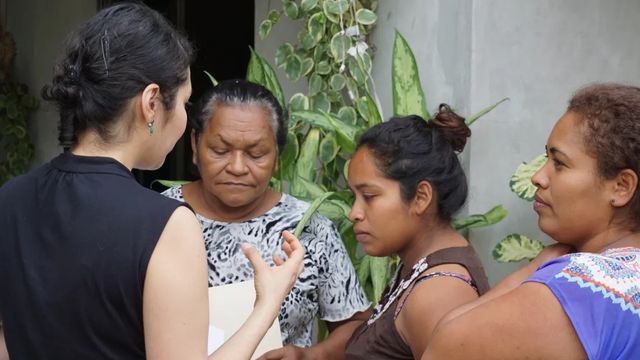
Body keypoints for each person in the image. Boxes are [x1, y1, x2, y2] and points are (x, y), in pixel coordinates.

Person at [0, 3, 304, 359]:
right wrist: (267, 305)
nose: (184, 121)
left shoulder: (11, 199)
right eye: (185, 104)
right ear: (151, 103)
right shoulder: (167, 225)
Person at [422, 83, 640, 359]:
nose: (538, 176)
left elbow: (443, 347)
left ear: (621, 186)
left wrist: (534, 269)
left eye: (559, 163)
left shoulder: (583, 285)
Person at [162, 79, 371, 359]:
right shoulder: (157, 216)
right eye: (220, 150)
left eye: (256, 154)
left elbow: (356, 325)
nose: (237, 167)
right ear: (195, 144)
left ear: (277, 157)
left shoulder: (310, 228)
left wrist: (308, 355)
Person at [343, 107, 490, 359]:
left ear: (421, 197)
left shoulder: (439, 293)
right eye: (353, 197)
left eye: (368, 197)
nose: (354, 213)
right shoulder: (418, 265)